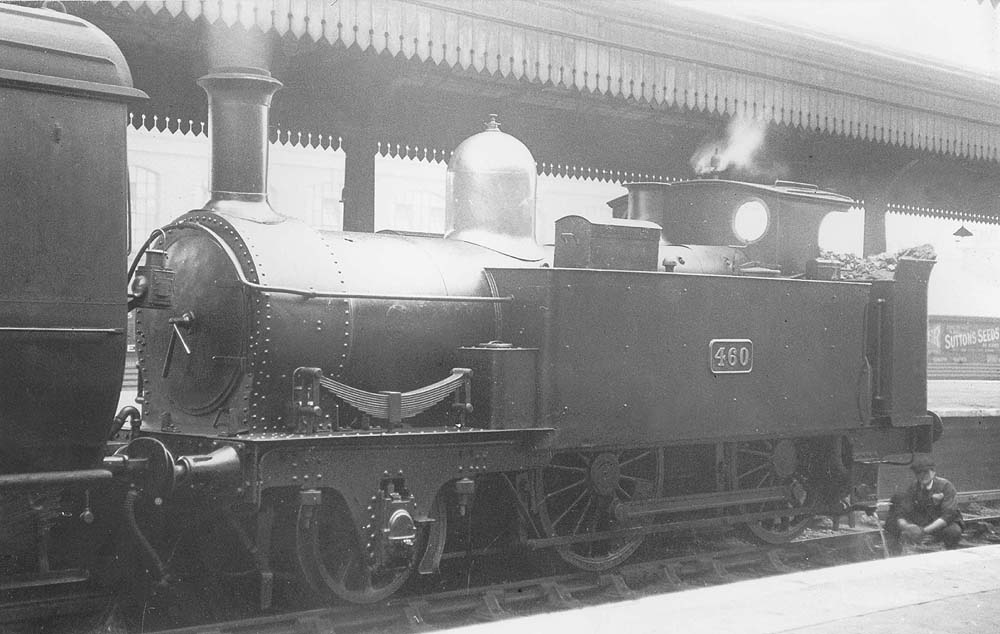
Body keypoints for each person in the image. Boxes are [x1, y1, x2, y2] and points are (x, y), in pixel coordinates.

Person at [884, 454, 964, 553]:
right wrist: (907, 526)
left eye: (926, 472)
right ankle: (894, 552)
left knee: (953, 531)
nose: (922, 476)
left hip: (941, 523)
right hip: (923, 521)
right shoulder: (913, 487)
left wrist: (924, 531)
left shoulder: (945, 486)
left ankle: (950, 553)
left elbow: (947, 516)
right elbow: (903, 511)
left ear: (933, 472)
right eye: (918, 473)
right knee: (893, 518)